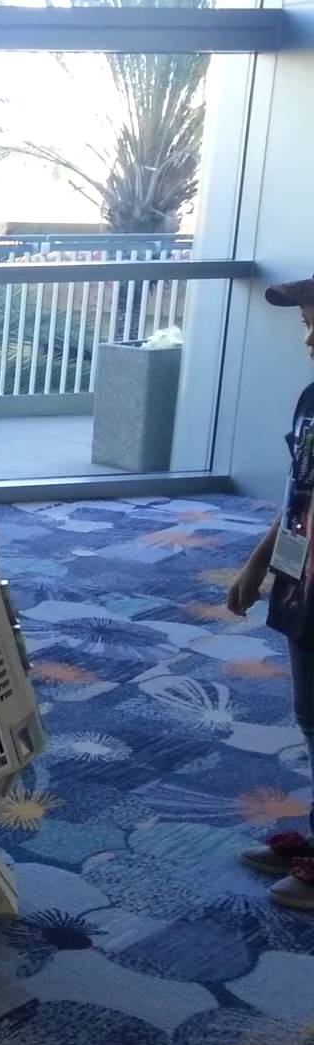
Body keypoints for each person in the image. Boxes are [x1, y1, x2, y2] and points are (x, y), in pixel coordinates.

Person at [226, 272, 314, 912]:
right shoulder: (311, 399)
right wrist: (259, 566)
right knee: (311, 718)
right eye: (308, 324)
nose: (310, 338)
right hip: (303, 587)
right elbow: (298, 499)